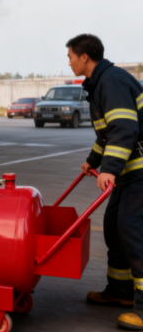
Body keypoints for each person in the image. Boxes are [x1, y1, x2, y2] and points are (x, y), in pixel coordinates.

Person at [71, 34, 143, 330]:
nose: (70, 62)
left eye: (71, 56)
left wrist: (109, 168)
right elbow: (107, 134)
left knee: (132, 229)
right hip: (130, 170)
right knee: (114, 226)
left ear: (84, 57)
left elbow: (124, 128)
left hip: (138, 170)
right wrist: (94, 160)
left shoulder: (110, 82)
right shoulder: (102, 82)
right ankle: (121, 291)